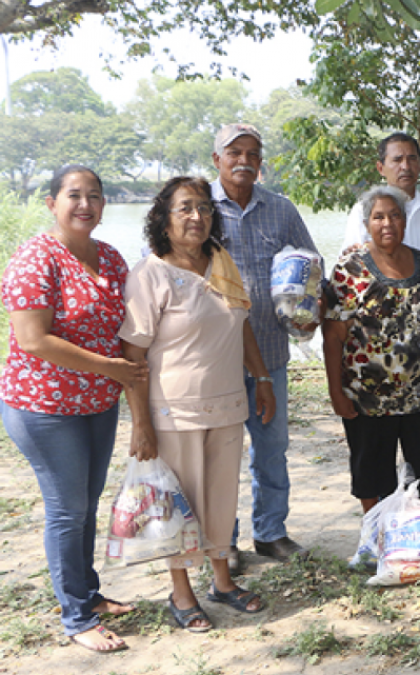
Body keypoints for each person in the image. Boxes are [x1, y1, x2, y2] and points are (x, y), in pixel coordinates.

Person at [1, 165, 146, 652]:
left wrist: (124, 385)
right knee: (68, 510)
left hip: (97, 403)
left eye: (95, 196)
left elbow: (128, 331)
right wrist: (109, 367)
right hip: (43, 406)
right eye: (74, 195)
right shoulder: (36, 257)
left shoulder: (110, 257)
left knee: (88, 502)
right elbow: (33, 339)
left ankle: (88, 592)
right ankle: (77, 618)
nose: (85, 204)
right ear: (52, 203)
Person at [120, 176, 273, 632]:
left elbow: (242, 324)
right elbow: (133, 356)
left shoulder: (222, 262)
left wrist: (262, 378)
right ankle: (181, 592)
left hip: (227, 405)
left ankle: (222, 582)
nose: (197, 217)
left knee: (221, 499)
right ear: (164, 221)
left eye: (204, 208)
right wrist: (141, 424)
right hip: (174, 411)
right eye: (185, 208)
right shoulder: (150, 275)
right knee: (175, 505)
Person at [210, 123, 317, 565]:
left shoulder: (281, 209)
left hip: (271, 354)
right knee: (222, 453)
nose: (245, 161)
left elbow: (311, 265)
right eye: (235, 152)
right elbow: (163, 267)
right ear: (216, 159)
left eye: (254, 153)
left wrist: (308, 311)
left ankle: (271, 532)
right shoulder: (198, 209)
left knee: (271, 448)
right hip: (214, 358)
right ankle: (224, 540)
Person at [324, 186, 420, 510]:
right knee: (371, 473)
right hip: (367, 397)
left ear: (405, 221)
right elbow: (333, 336)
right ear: (367, 223)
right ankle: (374, 536)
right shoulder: (350, 268)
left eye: (395, 215)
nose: (387, 223)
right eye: (379, 216)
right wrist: (336, 391)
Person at [340, 132, 420, 257]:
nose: (406, 166)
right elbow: (350, 259)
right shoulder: (364, 210)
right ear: (381, 168)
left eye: (412, 159)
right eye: (397, 160)